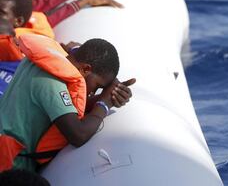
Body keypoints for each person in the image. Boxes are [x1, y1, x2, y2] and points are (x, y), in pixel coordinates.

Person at [0, 34, 136, 172]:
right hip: (8, 165)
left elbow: (63, 105)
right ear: (85, 69)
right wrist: (104, 104)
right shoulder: (52, 84)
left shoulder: (40, 61)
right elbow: (78, 134)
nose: (92, 93)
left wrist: (108, 95)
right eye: (97, 86)